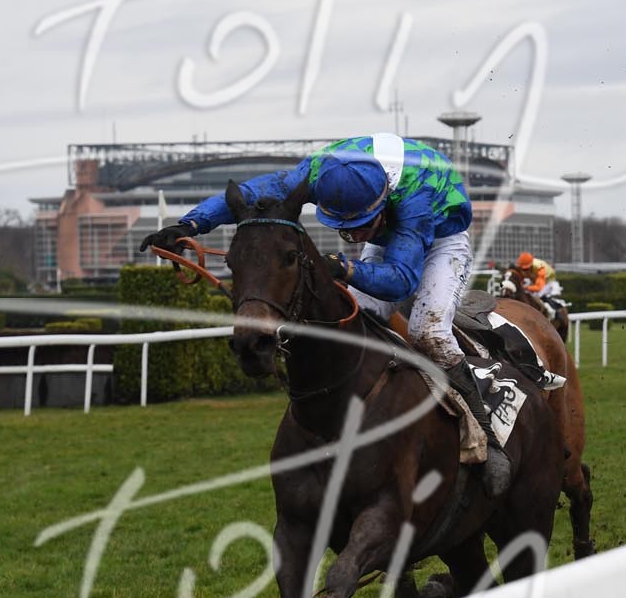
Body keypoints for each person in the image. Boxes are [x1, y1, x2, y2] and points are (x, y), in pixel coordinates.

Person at [137, 132, 512, 496]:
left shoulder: (416, 197)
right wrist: (189, 224)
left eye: (359, 226)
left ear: (381, 202)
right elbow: (246, 194)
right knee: (353, 319)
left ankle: (487, 436)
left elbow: (400, 280)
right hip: (387, 230)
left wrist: (346, 268)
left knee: (428, 332)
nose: (354, 236)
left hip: (442, 237)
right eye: (345, 229)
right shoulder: (317, 172)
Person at [513, 252, 564, 318]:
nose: (524, 271)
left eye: (526, 269)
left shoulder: (540, 268)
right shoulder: (524, 267)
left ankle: (555, 311)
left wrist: (526, 287)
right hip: (534, 279)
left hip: (548, 281)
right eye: (522, 269)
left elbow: (539, 288)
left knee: (539, 294)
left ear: (531, 265)